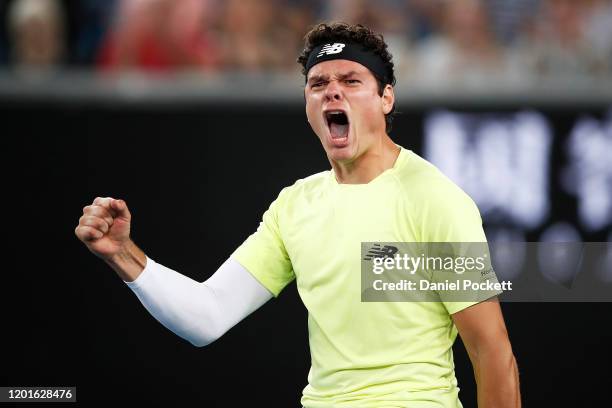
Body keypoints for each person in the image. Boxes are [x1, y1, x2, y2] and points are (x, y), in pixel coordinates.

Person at [75, 22, 520, 408]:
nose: (332, 90)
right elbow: (206, 317)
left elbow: (491, 352)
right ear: (309, 106)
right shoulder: (296, 205)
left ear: (386, 98)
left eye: (351, 80)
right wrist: (123, 254)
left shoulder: (435, 199)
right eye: (318, 83)